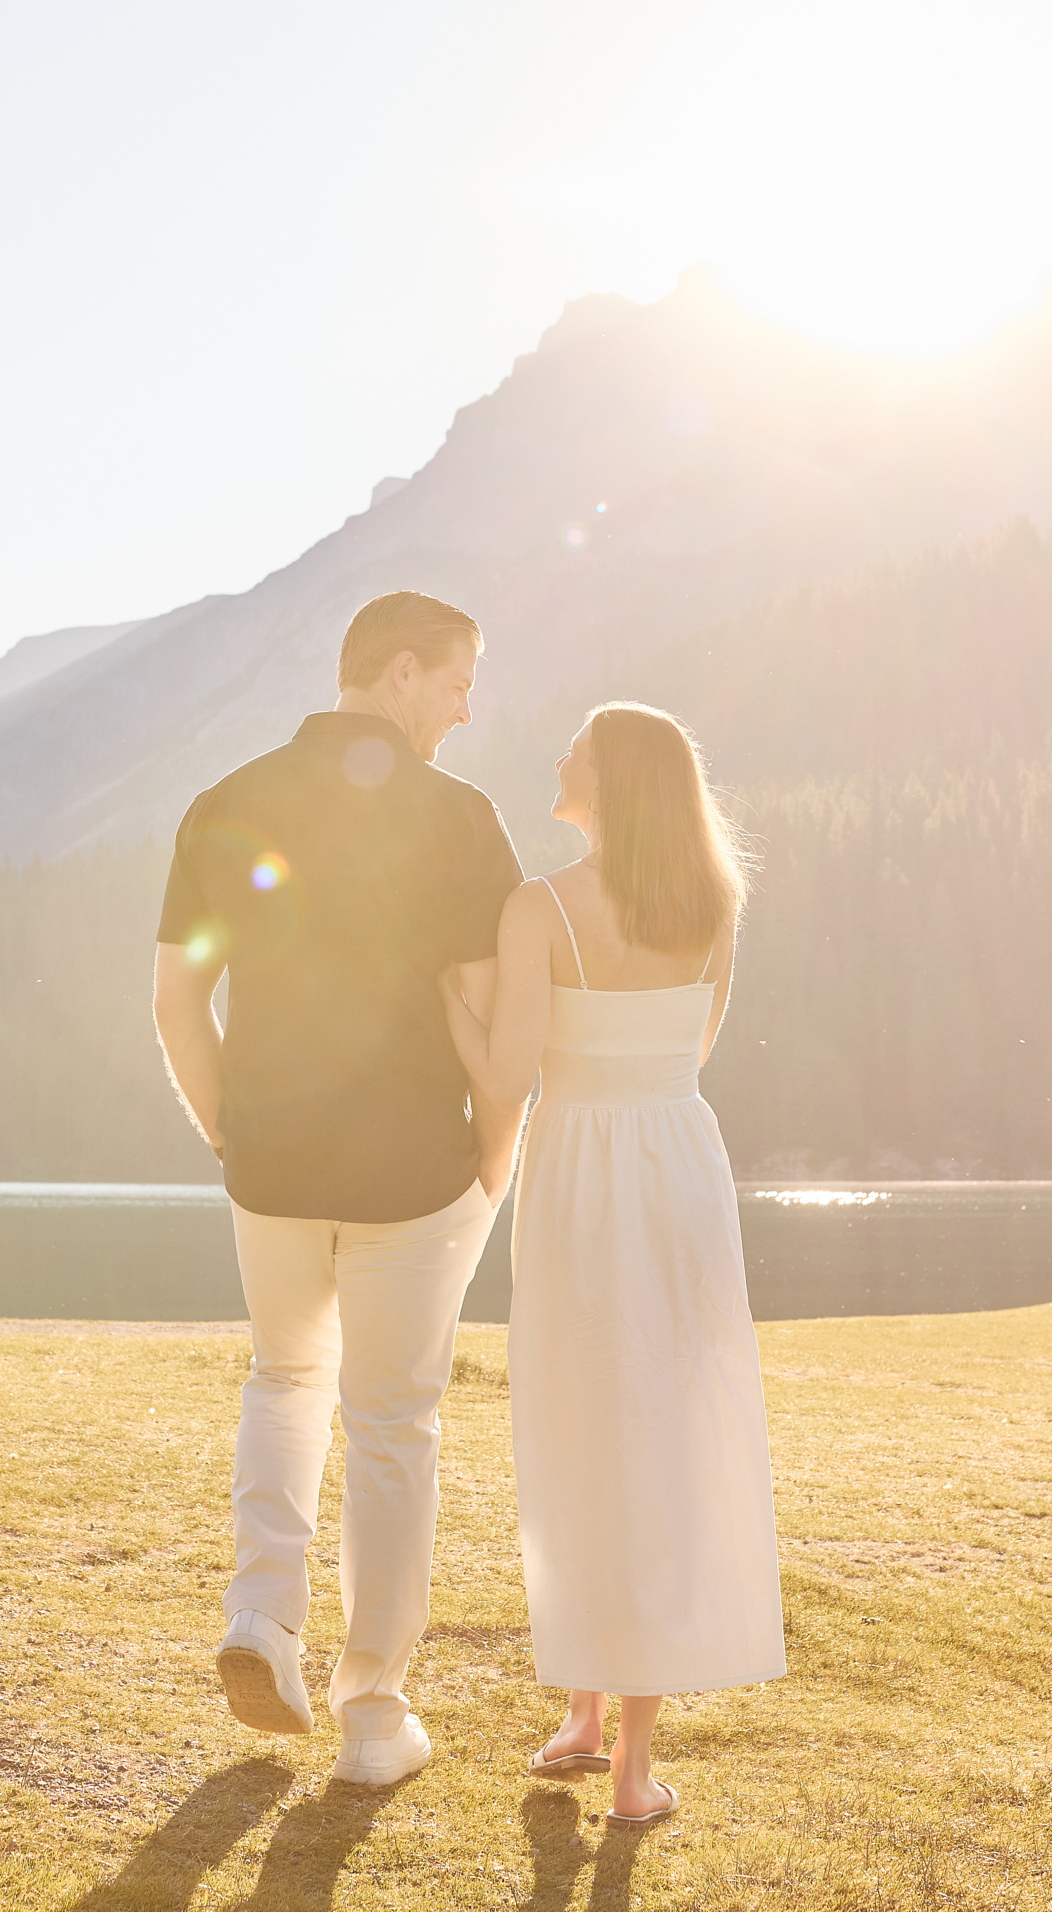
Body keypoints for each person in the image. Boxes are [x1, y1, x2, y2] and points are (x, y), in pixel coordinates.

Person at [153, 590, 524, 1786]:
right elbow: (482, 1011)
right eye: (459, 677)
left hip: (271, 1167)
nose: (469, 704)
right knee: (393, 1426)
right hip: (416, 1174)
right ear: (402, 672)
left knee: (283, 1377)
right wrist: (497, 1147)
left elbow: (175, 1001)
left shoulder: (229, 802)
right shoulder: (460, 818)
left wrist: (230, 1133)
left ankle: (261, 1619)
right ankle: (374, 1715)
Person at [440, 702, 785, 1829]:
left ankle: (610, 1739)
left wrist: (447, 990)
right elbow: (692, 1049)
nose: (558, 758)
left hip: (583, 1164)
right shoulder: (714, 907)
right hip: (677, 1161)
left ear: (613, 782)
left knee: (583, 1416)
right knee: (661, 1427)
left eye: (575, 750)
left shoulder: (538, 909)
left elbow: (504, 1072)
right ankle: (608, 1733)